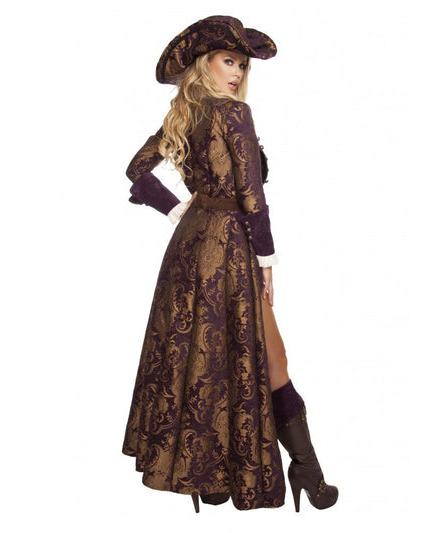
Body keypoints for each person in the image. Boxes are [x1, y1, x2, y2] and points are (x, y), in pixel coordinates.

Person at [121, 15, 338, 513]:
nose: (237, 73)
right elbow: (252, 196)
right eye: (228, 61)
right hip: (231, 248)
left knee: (206, 356)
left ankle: (214, 480)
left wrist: (178, 209)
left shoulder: (186, 114)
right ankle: (307, 469)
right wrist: (266, 259)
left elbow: (136, 170)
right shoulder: (234, 113)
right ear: (206, 64)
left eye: (242, 65)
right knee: (268, 358)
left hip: (189, 249)